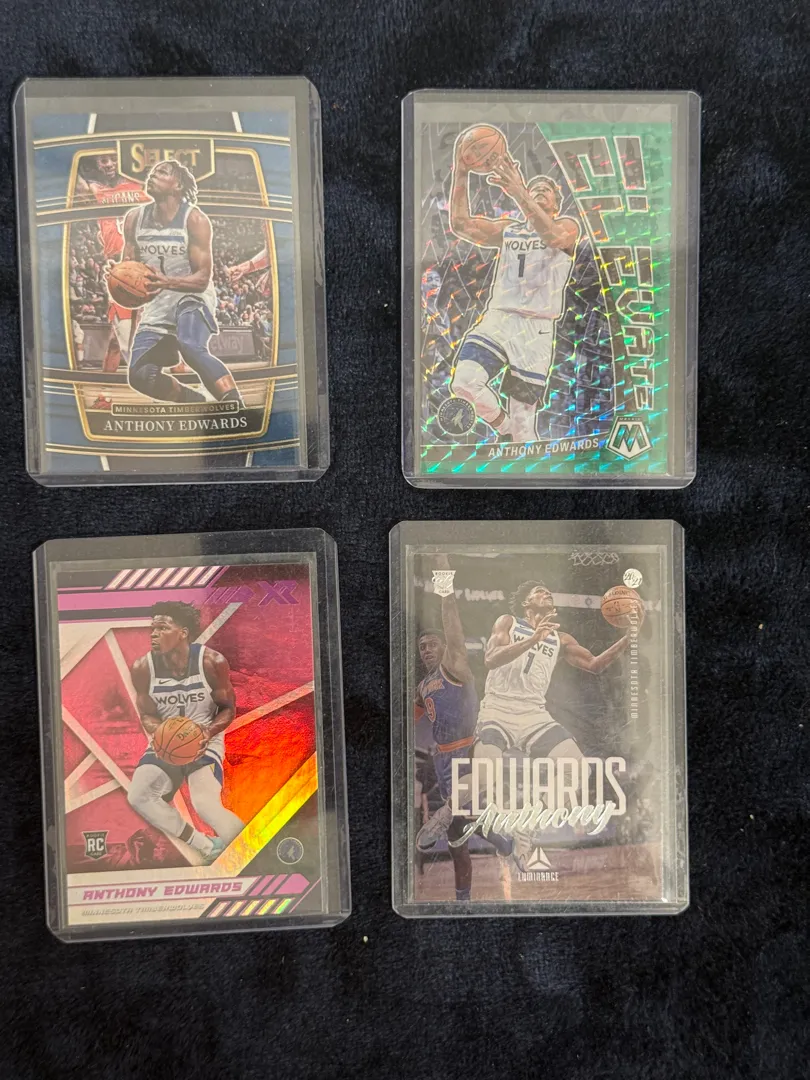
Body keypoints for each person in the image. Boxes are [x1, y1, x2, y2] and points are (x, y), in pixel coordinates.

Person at [448, 137, 579, 442]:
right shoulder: (509, 229)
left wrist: (520, 191)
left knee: (524, 426)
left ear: (556, 204)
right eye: (535, 188)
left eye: (546, 190)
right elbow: (460, 224)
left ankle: (516, 437)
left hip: (536, 329)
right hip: (499, 319)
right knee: (463, 383)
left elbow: (553, 237)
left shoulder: (567, 225)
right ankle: (502, 427)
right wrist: (462, 169)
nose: (539, 190)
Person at [118, 160, 244, 406]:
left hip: (192, 297)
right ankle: (196, 403)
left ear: (177, 186)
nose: (152, 174)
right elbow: (128, 267)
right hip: (158, 304)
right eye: (152, 171)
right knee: (139, 376)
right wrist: (117, 277)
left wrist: (167, 281)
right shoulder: (134, 218)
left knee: (190, 345)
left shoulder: (194, 219)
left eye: (162, 172)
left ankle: (235, 406)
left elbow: (201, 279)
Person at [127, 601, 244, 865]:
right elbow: (147, 714)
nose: (153, 634)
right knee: (138, 795)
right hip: (166, 739)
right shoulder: (143, 668)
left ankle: (256, 852)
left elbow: (227, 709)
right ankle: (206, 846)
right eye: (152, 628)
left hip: (205, 737)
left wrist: (207, 732)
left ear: (183, 633)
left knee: (205, 804)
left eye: (162, 628)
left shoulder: (212, 662)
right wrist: (159, 730)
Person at [414, 556, 478, 902]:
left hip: (469, 751)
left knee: (467, 814)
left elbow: (451, 621)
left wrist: (443, 576)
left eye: (432, 645)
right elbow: (406, 721)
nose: (427, 651)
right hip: (442, 761)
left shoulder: (455, 664)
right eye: (422, 647)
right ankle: (463, 901)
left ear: (444, 647)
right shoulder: (423, 686)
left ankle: (446, 814)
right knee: (457, 840)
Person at [76, 153, 149, 372]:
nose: (109, 164)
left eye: (113, 158)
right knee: (121, 337)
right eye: (103, 160)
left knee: (160, 332)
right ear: (97, 164)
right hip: (118, 268)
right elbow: (71, 180)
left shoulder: (142, 186)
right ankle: (107, 384)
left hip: (146, 264)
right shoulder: (96, 189)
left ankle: (172, 383)